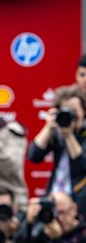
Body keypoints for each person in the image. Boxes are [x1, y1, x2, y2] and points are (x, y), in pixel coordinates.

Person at [28, 85, 86, 215]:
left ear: (84, 111)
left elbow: (81, 165)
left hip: (79, 202)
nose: (70, 116)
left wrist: (68, 135)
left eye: (74, 111)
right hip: (54, 197)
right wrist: (48, 127)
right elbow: (33, 156)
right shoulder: (57, 133)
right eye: (66, 111)